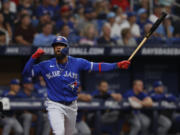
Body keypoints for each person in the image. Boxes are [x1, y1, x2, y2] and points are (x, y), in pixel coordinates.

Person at [22, 35, 130, 135]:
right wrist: (33, 57)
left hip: (72, 105)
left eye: (61, 46)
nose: (58, 48)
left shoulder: (77, 62)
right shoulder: (46, 65)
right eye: (55, 46)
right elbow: (26, 73)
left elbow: (98, 66)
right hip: (54, 104)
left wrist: (117, 65)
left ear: (67, 48)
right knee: (59, 132)